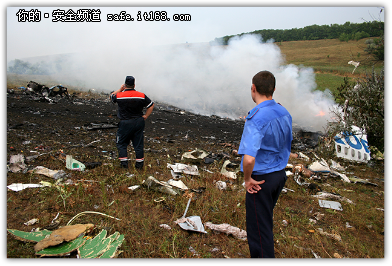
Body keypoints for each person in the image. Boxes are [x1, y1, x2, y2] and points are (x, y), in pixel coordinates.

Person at [237, 70, 292, 259]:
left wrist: (247, 179)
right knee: (265, 223)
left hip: (260, 180)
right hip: (279, 175)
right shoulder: (284, 112)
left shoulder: (256, 117)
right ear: (273, 89)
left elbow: (249, 158)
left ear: (253, 88)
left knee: (258, 233)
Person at [110, 76, 154, 169]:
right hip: (138, 121)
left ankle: (124, 165)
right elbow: (151, 105)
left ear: (125, 85)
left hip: (125, 122)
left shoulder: (119, 95)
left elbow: (111, 96)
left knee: (121, 143)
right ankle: (139, 166)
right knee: (138, 144)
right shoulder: (141, 95)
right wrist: (146, 115)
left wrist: (120, 89)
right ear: (134, 85)